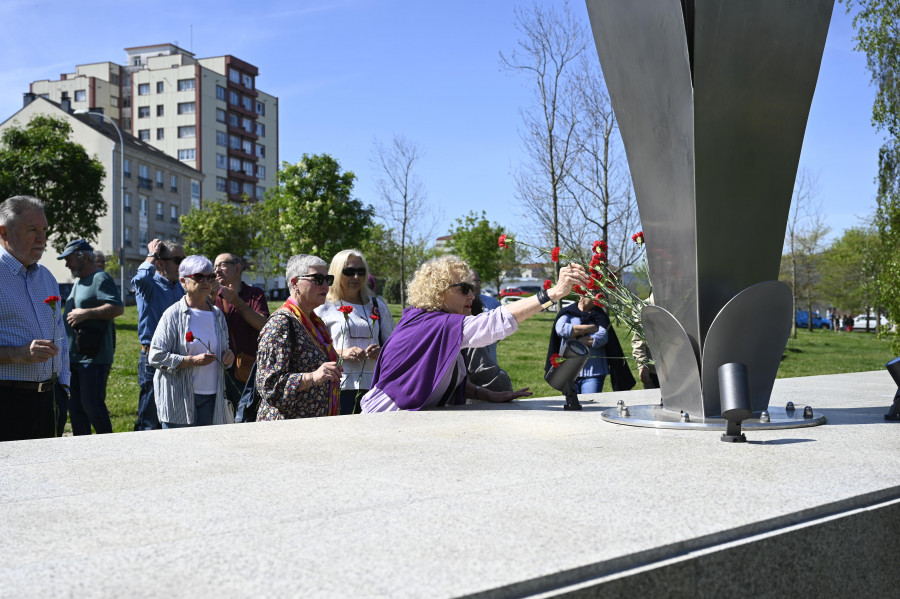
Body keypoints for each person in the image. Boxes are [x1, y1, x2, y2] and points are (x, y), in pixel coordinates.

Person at [361, 255, 589, 412]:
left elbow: (440, 377)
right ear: (439, 293)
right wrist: (555, 292)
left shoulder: (425, 321)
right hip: (385, 419)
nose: (472, 295)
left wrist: (489, 395)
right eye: (463, 289)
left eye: (472, 288)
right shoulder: (435, 324)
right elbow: (493, 324)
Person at [0, 196, 71, 441]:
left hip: (49, 401)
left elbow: (60, 336)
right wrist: (17, 354)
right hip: (7, 401)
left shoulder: (47, 278)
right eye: (33, 230)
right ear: (4, 231)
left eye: (44, 230)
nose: (42, 239)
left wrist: (64, 387)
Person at [255, 254, 343, 420]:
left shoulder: (315, 323)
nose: (325, 285)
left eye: (327, 279)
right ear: (295, 283)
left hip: (312, 426)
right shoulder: (280, 324)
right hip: (286, 428)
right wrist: (313, 376)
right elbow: (269, 386)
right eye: (317, 279)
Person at [149, 255, 234, 427]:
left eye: (210, 277)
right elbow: (155, 356)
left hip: (213, 399)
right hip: (179, 399)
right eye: (198, 277)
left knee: (207, 451)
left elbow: (225, 352)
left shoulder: (218, 315)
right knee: (180, 451)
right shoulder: (172, 315)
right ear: (183, 281)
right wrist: (191, 361)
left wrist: (228, 357)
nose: (205, 282)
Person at [315, 249, 395, 414]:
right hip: (339, 387)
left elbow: (394, 345)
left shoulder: (378, 305)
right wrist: (340, 353)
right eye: (349, 272)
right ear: (337, 273)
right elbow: (313, 351)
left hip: (375, 387)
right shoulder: (323, 307)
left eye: (361, 272)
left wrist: (381, 351)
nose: (356, 277)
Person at [59, 239, 124, 435]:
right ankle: (83, 452)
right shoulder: (79, 281)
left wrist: (86, 313)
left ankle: (108, 447)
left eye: (69, 259)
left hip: (94, 358)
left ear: (83, 257)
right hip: (74, 357)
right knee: (76, 409)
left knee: (92, 406)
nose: (67, 264)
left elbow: (118, 307)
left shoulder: (100, 278)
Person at [132, 238, 185, 430]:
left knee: (174, 416)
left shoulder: (181, 287)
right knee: (149, 419)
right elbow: (139, 279)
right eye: (178, 260)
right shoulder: (150, 286)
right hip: (153, 358)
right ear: (161, 263)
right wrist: (151, 256)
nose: (183, 264)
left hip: (179, 357)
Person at [213, 253, 270, 410]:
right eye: (215, 266)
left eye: (222, 265)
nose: (216, 270)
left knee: (248, 417)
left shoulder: (255, 294)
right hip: (218, 371)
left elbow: (263, 326)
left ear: (237, 267)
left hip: (248, 370)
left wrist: (237, 302)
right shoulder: (211, 297)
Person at [547, 296, 610, 394]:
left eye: (597, 292)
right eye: (592, 292)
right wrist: (592, 328)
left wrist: (574, 339)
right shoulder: (568, 312)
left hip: (593, 371)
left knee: (591, 405)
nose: (596, 296)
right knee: (571, 405)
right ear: (581, 295)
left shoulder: (600, 315)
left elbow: (602, 337)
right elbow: (561, 329)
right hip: (569, 370)